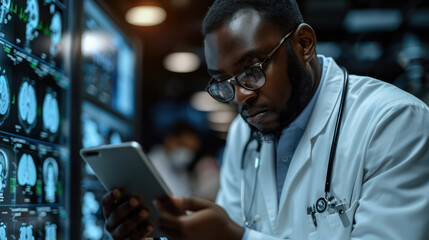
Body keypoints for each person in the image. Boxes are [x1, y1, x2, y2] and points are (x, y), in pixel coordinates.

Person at [101, 0, 429, 239]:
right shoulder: (245, 135)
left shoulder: (393, 122)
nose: (242, 96)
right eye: (224, 83)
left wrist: (237, 239)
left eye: (252, 71)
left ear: (304, 44)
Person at [148, 122, 200, 197]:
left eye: (192, 150)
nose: (187, 153)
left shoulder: (181, 170)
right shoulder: (152, 163)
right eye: (183, 146)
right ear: (169, 139)